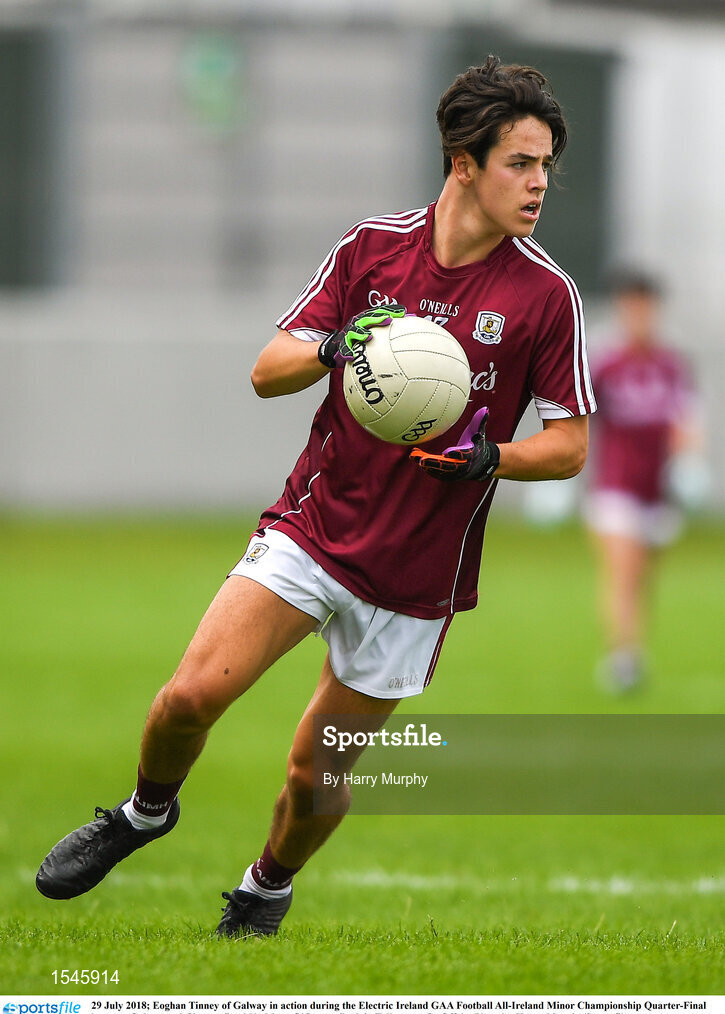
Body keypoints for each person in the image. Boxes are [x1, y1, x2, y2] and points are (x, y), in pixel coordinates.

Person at [36, 55, 596, 937]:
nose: (537, 184)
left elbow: (569, 445)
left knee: (313, 775)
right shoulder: (373, 248)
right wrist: (343, 348)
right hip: (314, 527)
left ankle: (264, 888)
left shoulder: (544, 296)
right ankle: (142, 815)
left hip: (415, 578)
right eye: (519, 164)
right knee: (188, 698)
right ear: (463, 164)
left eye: (544, 166)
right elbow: (267, 372)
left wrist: (490, 456)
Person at [584, 269, 700, 692]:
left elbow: (686, 418)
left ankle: (631, 647)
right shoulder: (604, 359)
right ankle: (624, 657)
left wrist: (690, 465)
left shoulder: (671, 362)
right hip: (614, 484)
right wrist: (558, 479)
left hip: (658, 488)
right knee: (623, 569)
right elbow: (578, 415)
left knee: (643, 576)